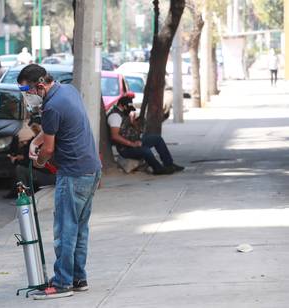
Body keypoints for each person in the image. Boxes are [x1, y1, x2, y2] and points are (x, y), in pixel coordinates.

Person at [17, 64, 101, 300]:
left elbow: (50, 148)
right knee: (79, 228)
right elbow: (53, 130)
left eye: (27, 90)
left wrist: (39, 161)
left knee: (65, 229)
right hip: (91, 169)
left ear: (40, 85)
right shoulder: (68, 91)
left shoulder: (51, 106)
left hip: (73, 173)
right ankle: (77, 278)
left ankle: (63, 282)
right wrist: (36, 140)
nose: (27, 95)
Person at [107, 95, 184, 175]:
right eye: (128, 108)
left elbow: (126, 129)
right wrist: (132, 144)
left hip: (134, 142)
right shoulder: (115, 116)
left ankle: (169, 163)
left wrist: (134, 124)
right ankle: (158, 169)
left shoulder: (123, 113)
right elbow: (115, 136)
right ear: (121, 105)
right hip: (126, 148)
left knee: (157, 139)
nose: (129, 111)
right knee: (145, 150)